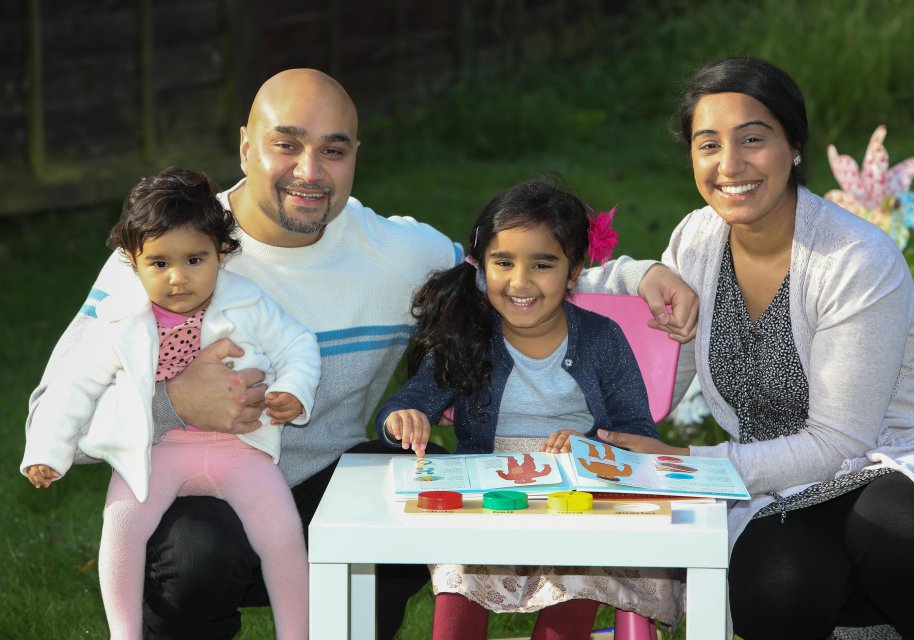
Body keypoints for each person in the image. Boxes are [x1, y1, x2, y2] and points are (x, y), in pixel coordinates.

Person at [25, 68, 698, 639]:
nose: (309, 172)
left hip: (327, 491)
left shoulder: (394, 255)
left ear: (356, 156)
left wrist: (640, 277)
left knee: (401, 477)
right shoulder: (168, 257)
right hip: (199, 494)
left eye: (334, 150)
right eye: (286, 145)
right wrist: (172, 402)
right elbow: (54, 414)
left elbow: (514, 278)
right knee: (192, 552)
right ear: (244, 146)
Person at [597, 57, 914, 639]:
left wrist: (681, 466)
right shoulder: (697, 239)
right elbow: (596, 313)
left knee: (889, 525)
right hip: (786, 485)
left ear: (794, 146)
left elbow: (839, 442)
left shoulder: (854, 259)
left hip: (897, 463)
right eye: (708, 144)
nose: (730, 165)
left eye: (753, 140)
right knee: (774, 582)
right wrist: (642, 274)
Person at [376, 177, 683, 640]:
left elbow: (634, 429)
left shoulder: (602, 340)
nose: (521, 282)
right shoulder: (467, 336)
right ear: (483, 268)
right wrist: (403, 418)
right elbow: (409, 402)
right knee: (459, 575)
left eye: (542, 264)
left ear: (573, 270)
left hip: (575, 501)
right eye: (504, 262)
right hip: (488, 499)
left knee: (578, 574)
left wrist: (590, 450)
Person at [21, 167, 321, 639]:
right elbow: (72, 387)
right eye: (159, 263)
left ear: (221, 254)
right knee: (121, 525)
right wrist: (47, 452)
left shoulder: (248, 302)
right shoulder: (117, 319)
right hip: (155, 451)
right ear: (131, 260)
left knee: (282, 533)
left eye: (194, 260)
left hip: (240, 451)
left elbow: (299, 346)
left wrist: (294, 391)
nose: (178, 278)